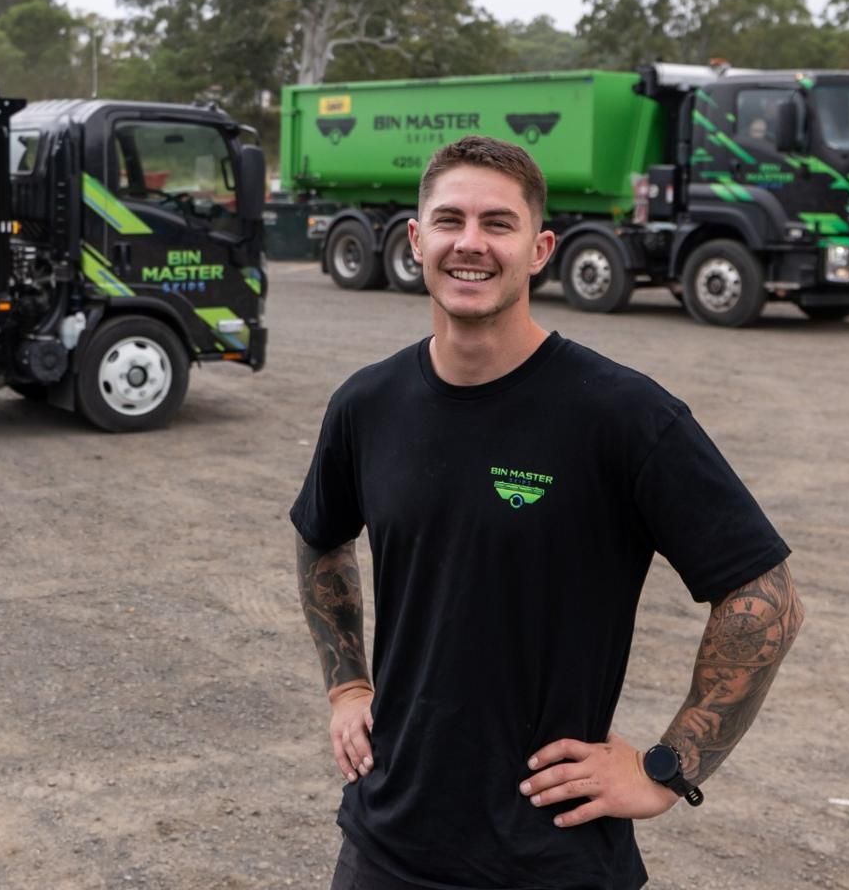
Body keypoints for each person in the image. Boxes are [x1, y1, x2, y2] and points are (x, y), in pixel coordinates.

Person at [291, 135, 803, 890]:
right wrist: (347, 687)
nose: (471, 243)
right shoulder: (368, 404)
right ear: (415, 240)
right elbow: (320, 536)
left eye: (499, 224)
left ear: (540, 249)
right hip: (386, 845)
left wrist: (669, 766)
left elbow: (768, 599)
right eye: (450, 220)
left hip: (552, 858)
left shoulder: (623, 415)